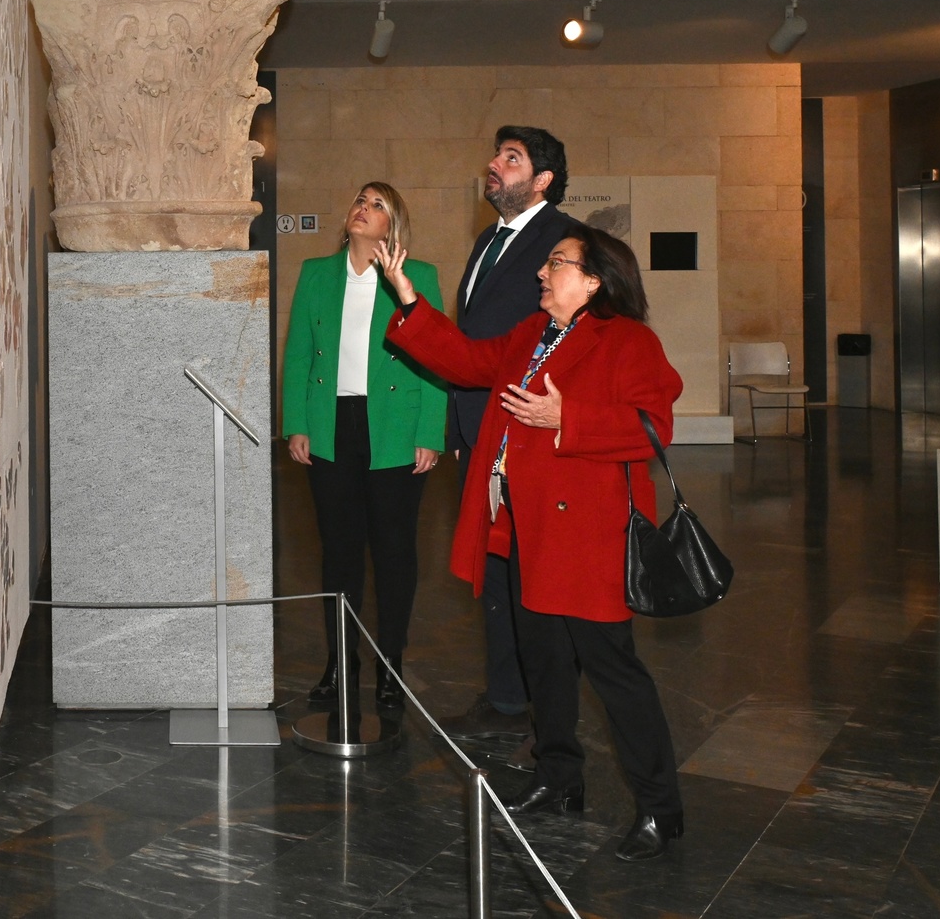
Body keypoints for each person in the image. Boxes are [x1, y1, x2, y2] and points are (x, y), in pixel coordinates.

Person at [379, 225, 687, 862]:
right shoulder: (530, 335)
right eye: (547, 264)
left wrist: (564, 418)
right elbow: (467, 362)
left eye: (557, 264)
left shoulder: (629, 340)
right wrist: (409, 300)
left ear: (595, 280)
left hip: (590, 540)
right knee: (544, 666)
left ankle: (661, 809)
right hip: (527, 532)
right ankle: (558, 780)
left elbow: (653, 426)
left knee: (613, 673)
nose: (542, 274)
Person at [281, 182, 448, 714]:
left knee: (395, 553)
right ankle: (341, 662)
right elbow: (299, 355)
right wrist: (297, 423)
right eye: (359, 199)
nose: (363, 208)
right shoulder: (315, 274)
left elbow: (436, 359)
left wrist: (430, 433)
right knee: (340, 552)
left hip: (395, 426)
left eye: (378, 205)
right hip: (333, 423)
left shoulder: (418, 278)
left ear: (391, 225)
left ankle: (390, 665)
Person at [437, 127, 579, 743]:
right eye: (497, 155)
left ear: (542, 181)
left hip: (528, 429)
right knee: (493, 569)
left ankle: (543, 707)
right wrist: (457, 423)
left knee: (531, 572)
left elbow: (567, 339)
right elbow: (471, 339)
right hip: (482, 428)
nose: (493, 165)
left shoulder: (564, 243)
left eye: (511, 159)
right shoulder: (486, 240)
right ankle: (506, 695)